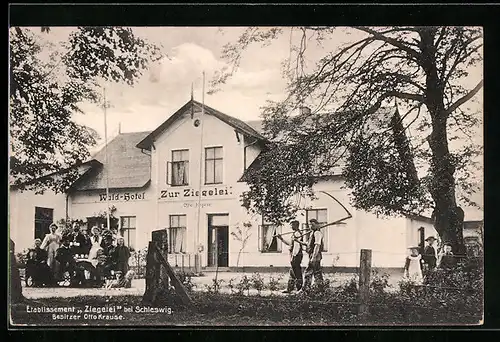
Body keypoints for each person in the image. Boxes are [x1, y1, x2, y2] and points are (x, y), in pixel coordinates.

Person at [277, 220, 306, 293]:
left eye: (292, 225)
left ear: (296, 225)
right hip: (294, 255)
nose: (291, 227)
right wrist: (281, 239)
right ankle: (290, 288)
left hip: (296, 255)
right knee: (292, 272)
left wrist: (293, 256)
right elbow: (290, 244)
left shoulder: (298, 234)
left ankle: (299, 289)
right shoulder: (294, 234)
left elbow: (297, 246)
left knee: (297, 272)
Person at [301, 219, 324, 292]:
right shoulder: (312, 233)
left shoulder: (317, 233)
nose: (311, 226)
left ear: (317, 225)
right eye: (310, 225)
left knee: (308, 271)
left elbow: (317, 245)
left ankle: (305, 289)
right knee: (317, 272)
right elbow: (308, 244)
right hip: (313, 255)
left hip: (316, 255)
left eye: (313, 225)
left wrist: (313, 257)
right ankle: (320, 289)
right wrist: (298, 241)